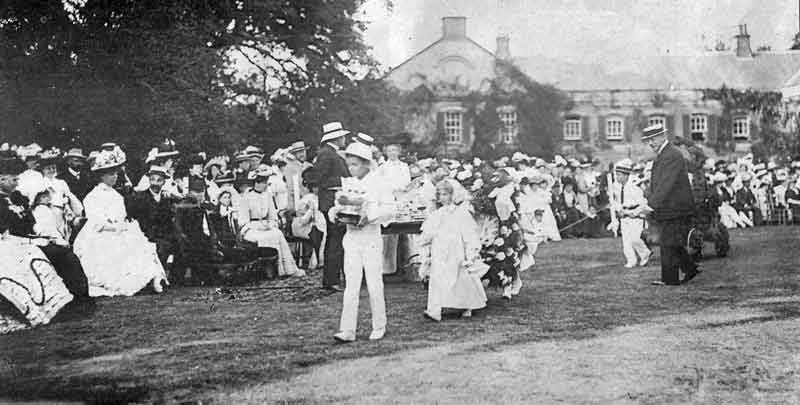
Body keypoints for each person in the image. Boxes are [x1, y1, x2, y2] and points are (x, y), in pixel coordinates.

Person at [0, 151, 92, 307]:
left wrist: (44, 236)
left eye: (17, 179)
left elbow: (31, 223)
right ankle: (63, 303)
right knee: (55, 253)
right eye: (13, 180)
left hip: (28, 239)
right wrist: (32, 240)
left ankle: (79, 297)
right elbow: (5, 233)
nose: (17, 183)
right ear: (1, 179)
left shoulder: (18, 197)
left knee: (65, 253)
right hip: (10, 244)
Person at [73, 146, 169, 296]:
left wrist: (123, 226)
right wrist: (114, 228)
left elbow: (121, 215)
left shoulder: (117, 195)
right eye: (111, 174)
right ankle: (132, 281)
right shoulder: (92, 197)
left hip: (119, 229)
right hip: (100, 233)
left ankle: (152, 278)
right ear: (102, 176)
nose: (115, 177)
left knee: (138, 243)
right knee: (115, 247)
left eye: (116, 174)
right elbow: (96, 222)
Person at [329, 142, 394, 342]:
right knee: (351, 285)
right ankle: (348, 330)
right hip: (351, 238)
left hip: (371, 238)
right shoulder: (348, 183)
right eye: (349, 164)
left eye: (355, 164)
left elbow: (390, 210)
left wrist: (370, 216)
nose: (351, 169)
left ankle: (379, 325)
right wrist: (335, 213)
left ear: (366, 163)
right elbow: (338, 206)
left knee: (374, 283)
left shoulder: (379, 183)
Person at [420, 180, 486, 321]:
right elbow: (428, 232)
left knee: (460, 277)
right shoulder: (437, 214)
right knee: (437, 278)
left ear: (452, 195)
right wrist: (426, 241)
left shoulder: (461, 213)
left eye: (445, 194)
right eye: (440, 195)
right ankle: (434, 310)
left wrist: (470, 252)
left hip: (456, 249)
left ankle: (467, 305)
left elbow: (469, 233)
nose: (442, 197)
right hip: (440, 249)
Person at [642, 124, 698, 286]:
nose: (650, 143)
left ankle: (670, 279)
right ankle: (690, 268)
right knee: (672, 241)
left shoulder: (671, 154)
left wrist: (651, 205)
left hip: (676, 207)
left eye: (653, 139)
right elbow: (659, 184)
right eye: (648, 140)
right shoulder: (665, 154)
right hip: (670, 206)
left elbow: (666, 184)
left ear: (662, 136)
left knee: (668, 242)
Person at [238, 165, 305, 278]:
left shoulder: (267, 195)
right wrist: (259, 226)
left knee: (277, 233)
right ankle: (267, 270)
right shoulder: (246, 197)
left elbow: (273, 216)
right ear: (256, 183)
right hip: (250, 229)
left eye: (266, 182)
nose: (265, 185)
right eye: (263, 182)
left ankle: (286, 269)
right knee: (265, 237)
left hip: (266, 226)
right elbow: (243, 222)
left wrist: (270, 224)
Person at [312, 122, 351, 292]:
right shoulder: (326, 154)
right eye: (343, 137)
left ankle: (333, 279)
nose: (344, 139)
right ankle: (331, 280)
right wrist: (342, 182)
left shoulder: (330, 153)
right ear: (336, 138)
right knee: (335, 241)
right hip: (330, 202)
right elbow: (317, 178)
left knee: (336, 240)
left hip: (333, 201)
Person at [126, 165, 178, 271]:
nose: (155, 183)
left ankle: (174, 277)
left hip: (164, 235)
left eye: (159, 180)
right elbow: (133, 219)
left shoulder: (167, 199)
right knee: (162, 248)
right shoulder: (140, 197)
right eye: (152, 179)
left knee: (181, 244)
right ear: (149, 180)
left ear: (164, 182)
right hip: (146, 236)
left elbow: (169, 221)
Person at [376, 139, 411, 275]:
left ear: (399, 152)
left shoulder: (404, 166)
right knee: (388, 233)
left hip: (402, 198)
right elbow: (381, 184)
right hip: (388, 199)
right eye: (389, 150)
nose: (392, 153)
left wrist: (401, 190)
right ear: (386, 152)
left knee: (405, 231)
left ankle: (405, 265)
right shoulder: (383, 167)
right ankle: (387, 266)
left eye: (394, 150)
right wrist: (391, 190)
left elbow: (407, 182)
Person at [611, 159, 651, 268]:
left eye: (619, 175)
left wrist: (634, 212)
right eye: (616, 175)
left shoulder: (634, 188)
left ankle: (645, 253)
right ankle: (631, 260)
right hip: (624, 216)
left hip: (635, 216)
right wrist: (619, 209)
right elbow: (617, 201)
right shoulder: (616, 187)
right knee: (626, 240)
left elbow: (643, 203)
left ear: (626, 175)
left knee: (635, 239)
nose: (617, 177)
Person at [282, 141, 313, 211]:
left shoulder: (309, 166)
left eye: (303, 151)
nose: (301, 154)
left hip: (310, 202)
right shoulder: (289, 167)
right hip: (296, 202)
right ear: (294, 154)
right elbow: (291, 188)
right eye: (298, 152)